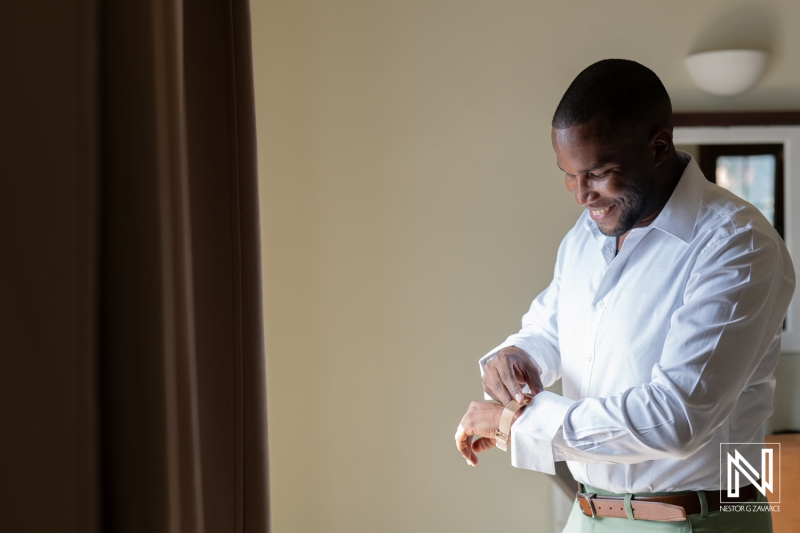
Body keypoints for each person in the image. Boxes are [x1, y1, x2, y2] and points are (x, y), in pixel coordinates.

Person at [454, 59, 795, 532]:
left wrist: (516, 424)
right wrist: (515, 356)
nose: (580, 195)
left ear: (659, 146)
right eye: (568, 175)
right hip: (589, 513)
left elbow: (676, 417)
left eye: (597, 173)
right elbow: (552, 328)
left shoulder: (737, 243)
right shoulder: (587, 234)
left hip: (696, 520)